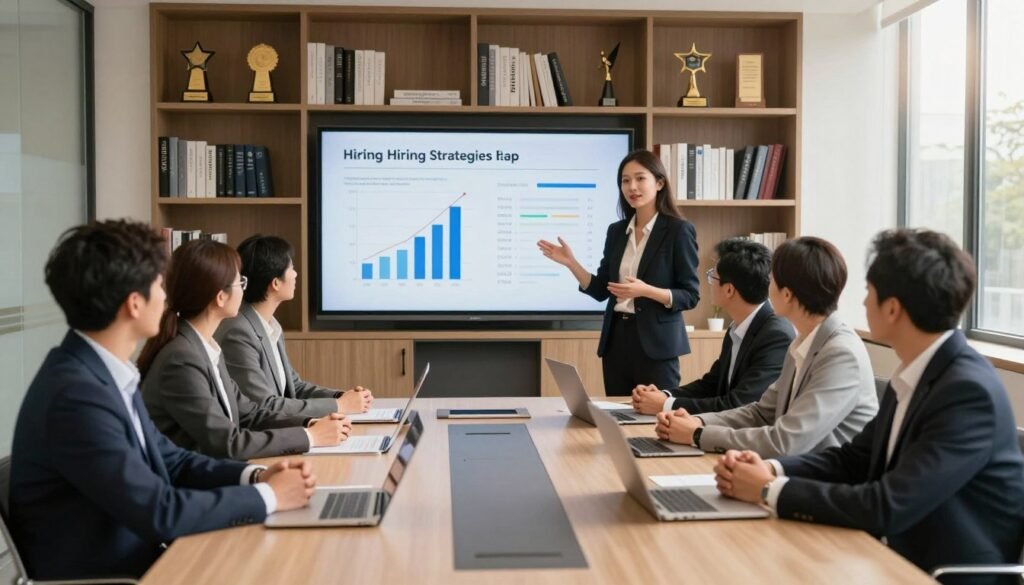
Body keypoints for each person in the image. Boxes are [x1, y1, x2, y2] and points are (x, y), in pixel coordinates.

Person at [9, 220, 316, 580]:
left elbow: (172, 462)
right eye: (160, 284)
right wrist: (270, 497)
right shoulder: (76, 397)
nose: (168, 296)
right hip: (123, 573)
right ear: (134, 304)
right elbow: (159, 511)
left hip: (149, 557)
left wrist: (256, 475)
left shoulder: (102, 374)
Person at [714, 229, 1024, 581]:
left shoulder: (967, 392)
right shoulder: (915, 372)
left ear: (892, 309)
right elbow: (853, 460)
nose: (862, 304)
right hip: (890, 553)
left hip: (938, 572)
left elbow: (887, 505)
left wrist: (770, 490)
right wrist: (773, 469)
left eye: (869, 293)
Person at [653, 236, 877, 457]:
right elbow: (761, 413)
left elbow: (785, 441)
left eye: (772, 280)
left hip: (823, 481)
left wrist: (698, 434)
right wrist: (697, 421)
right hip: (794, 469)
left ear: (787, 294)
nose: (765, 288)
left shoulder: (840, 353)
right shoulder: (803, 342)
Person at [138, 239, 351, 460]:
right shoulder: (181, 359)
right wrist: (310, 437)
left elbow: (250, 414)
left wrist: (310, 423)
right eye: (240, 281)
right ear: (221, 297)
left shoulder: (205, 347)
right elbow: (229, 443)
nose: (244, 287)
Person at [537, 149, 700, 395]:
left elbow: (690, 295)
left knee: (654, 419)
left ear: (659, 183)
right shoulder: (616, 231)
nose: (631, 187)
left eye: (639, 178)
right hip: (617, 342)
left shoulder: (679, 231)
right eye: (625, 180)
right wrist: (572, 263)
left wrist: (646, 291)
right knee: (618, 415)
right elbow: (602, 290)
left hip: (656, 345)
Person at [631, 238, 793, 415]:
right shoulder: (738, 327)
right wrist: (663, 395)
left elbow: (740, 405)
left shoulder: (776, 335)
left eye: (712, 277)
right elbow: (711, 385)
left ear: (729, 290)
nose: (709, 283)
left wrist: (666, 405)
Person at [216, 234, 372, 418]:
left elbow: (294, 387)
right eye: (291, 268)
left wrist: (342, 397)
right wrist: (339, 405)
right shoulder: (238, 332)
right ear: (275, 283)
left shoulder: (270, 326)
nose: (296, 274)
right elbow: (264, 405)